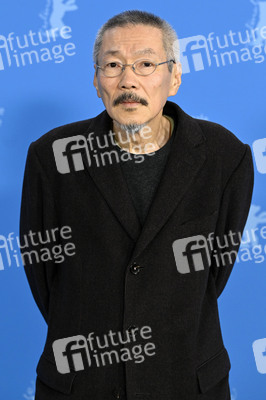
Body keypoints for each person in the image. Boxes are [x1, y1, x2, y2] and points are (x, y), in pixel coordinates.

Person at [19, 9, 254, 400]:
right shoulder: (52, 157)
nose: (128, 80)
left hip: (187, 380)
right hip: (82, 383)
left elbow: (214, 272)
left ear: (174, 77)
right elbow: (43, 275)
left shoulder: (225, 156)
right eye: (113, 65)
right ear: (97, 80)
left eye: (146, 64)